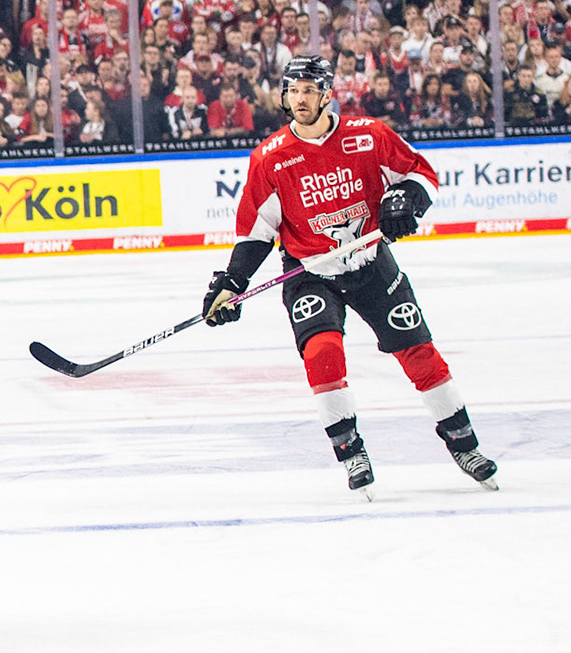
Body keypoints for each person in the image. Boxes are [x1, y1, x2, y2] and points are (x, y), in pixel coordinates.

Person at [202, 56, 499, 497]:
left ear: (326, 94)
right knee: (322, 353)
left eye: (308, 90)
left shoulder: (368, 135)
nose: (300, 99)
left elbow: (422, 175)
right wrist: (232, 282)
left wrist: (406, 200)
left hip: (370, 262)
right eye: (293, 91)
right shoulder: (270, 158)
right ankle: (351, 451)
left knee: (419, 351)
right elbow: (257, 230)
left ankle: (464, 444)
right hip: (309, 273)